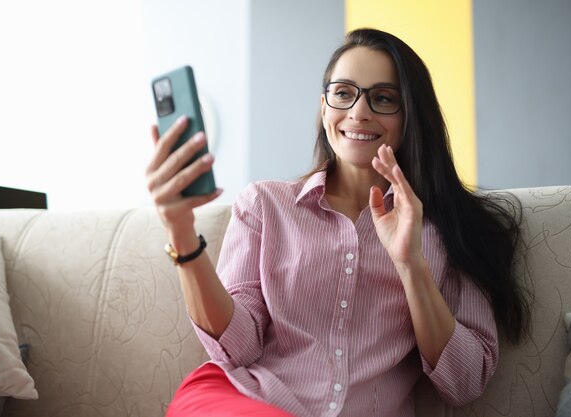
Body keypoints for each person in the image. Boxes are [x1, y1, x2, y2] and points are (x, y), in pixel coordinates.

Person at [145, 28, 529, 417]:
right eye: (343, 93)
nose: (358, 112)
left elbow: (464, 384)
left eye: (383, 98)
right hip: (243, 401)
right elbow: (236, 348)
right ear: (324, 108)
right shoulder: (264, 204)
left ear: (411, 115)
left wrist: (411, 265)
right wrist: (180, 232)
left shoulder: (453, 230)